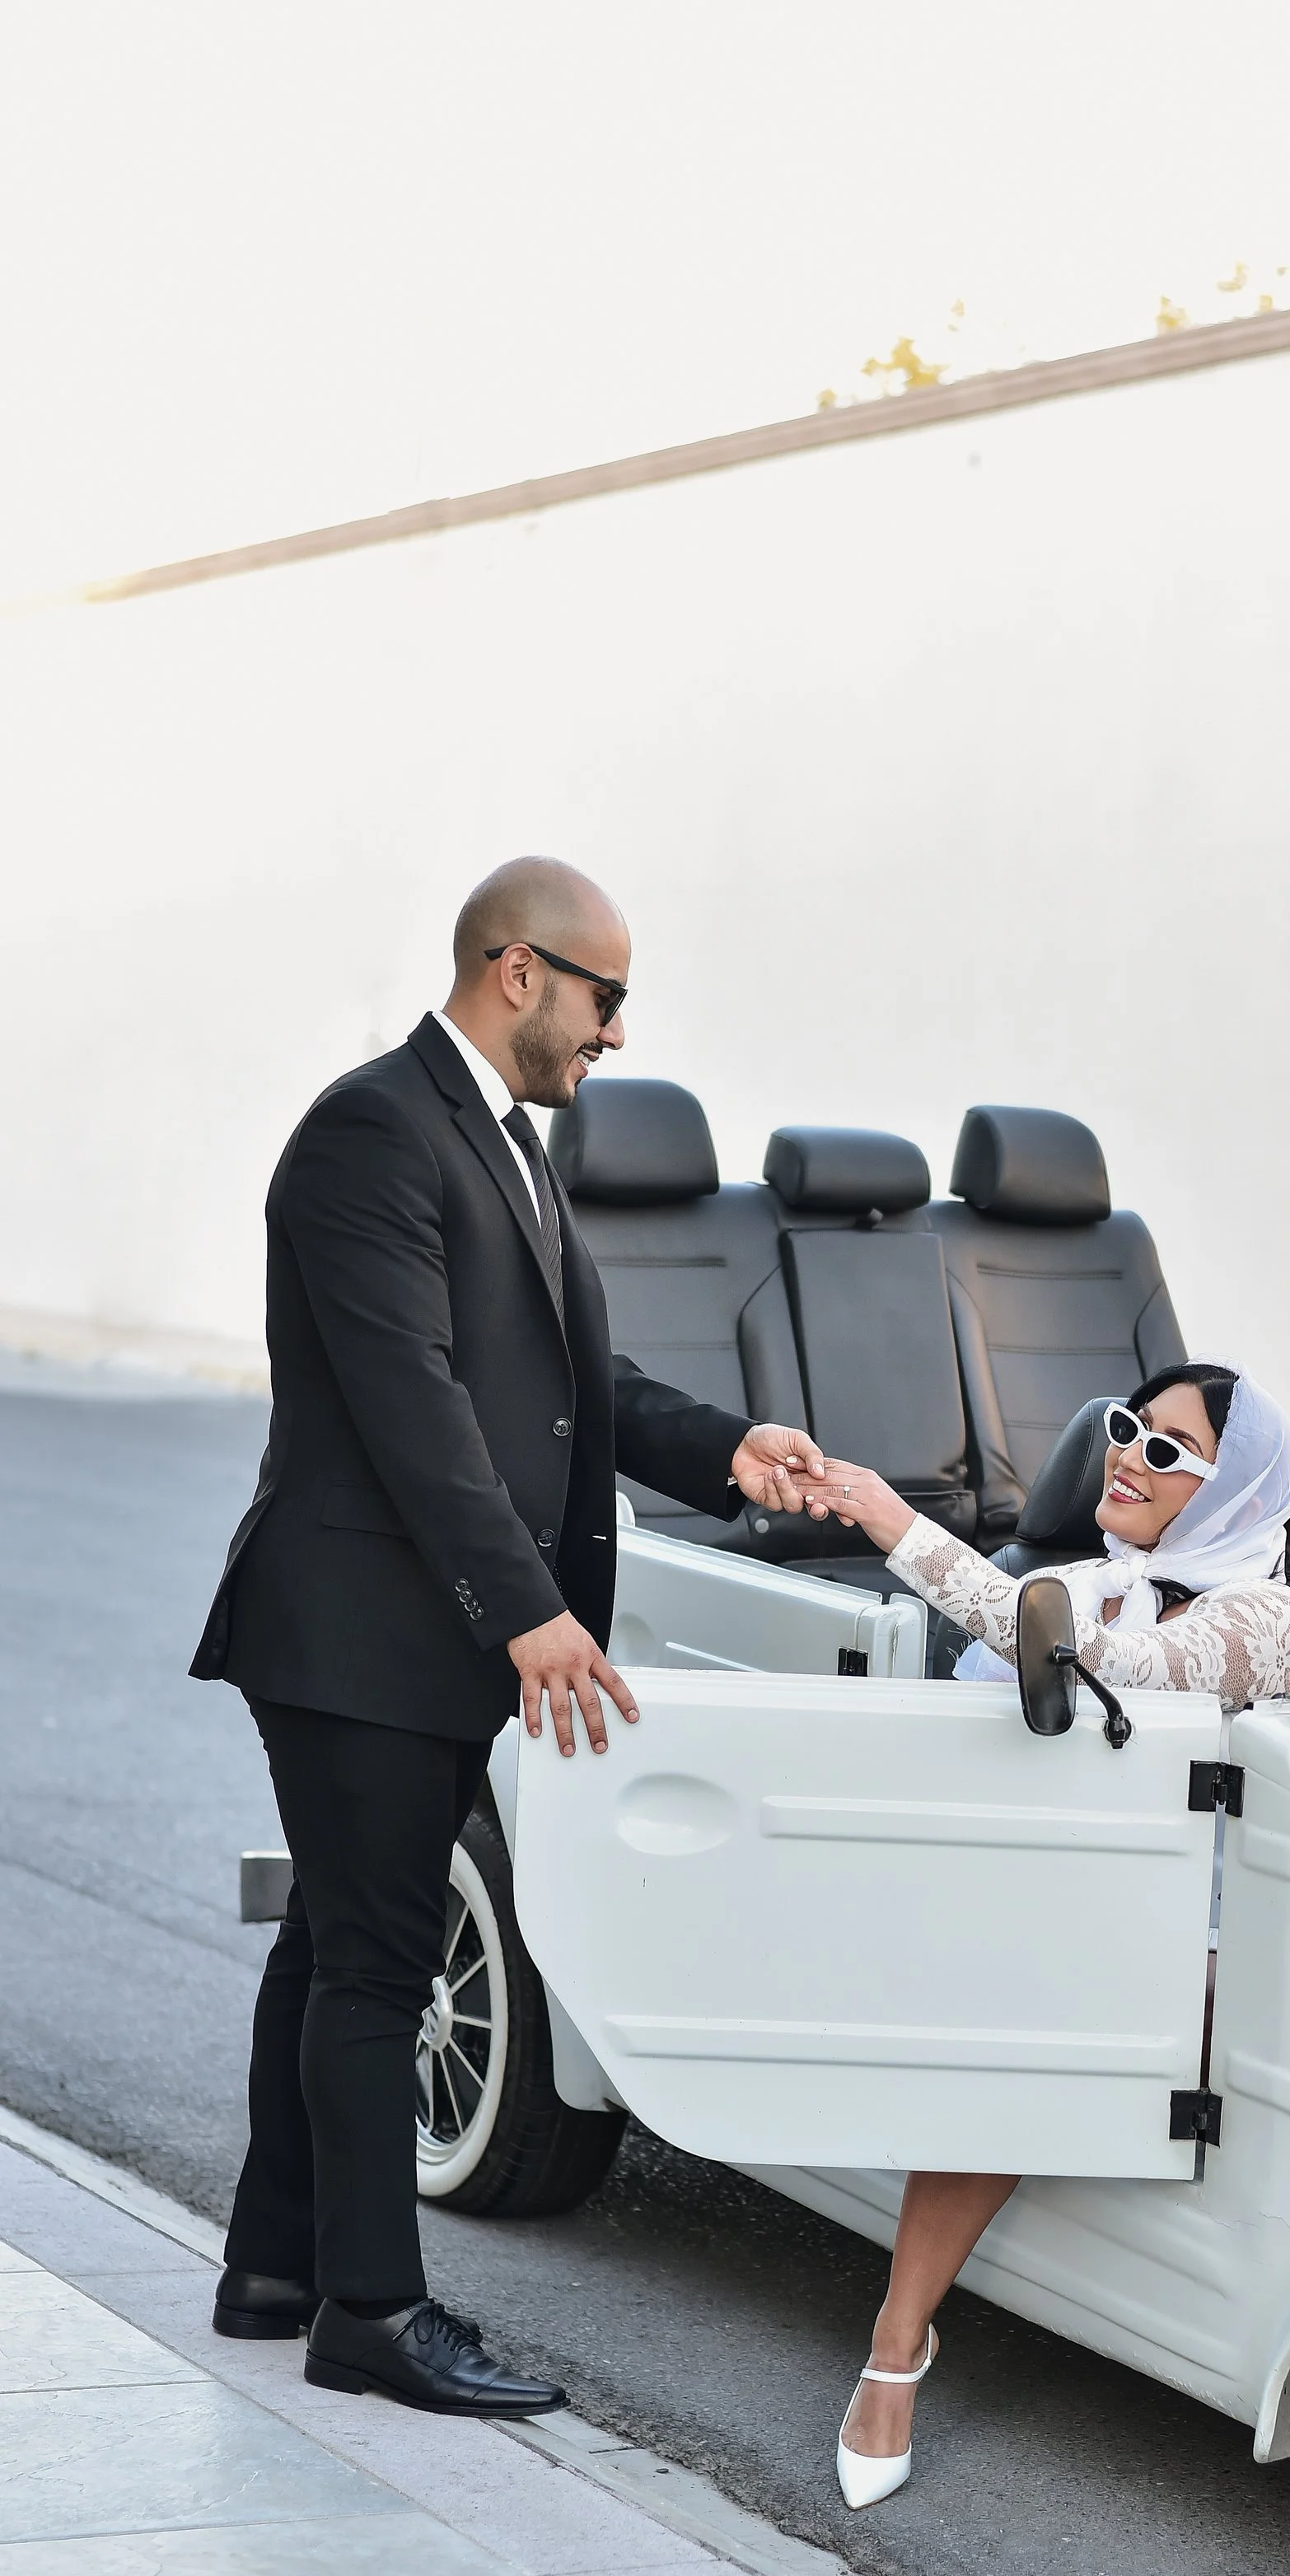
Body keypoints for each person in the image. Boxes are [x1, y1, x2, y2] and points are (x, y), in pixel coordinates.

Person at [191, 856, 828, 2415]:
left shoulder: (504, 1140)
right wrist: (527, 1614)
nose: (618, 1032)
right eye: (607, 996)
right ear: (519, 970)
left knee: (336, 1939)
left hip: (405, 1636)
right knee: (378, 1967)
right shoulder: (372, 1131)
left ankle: (274, 2271)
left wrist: (726, 1451)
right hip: (354, 1630)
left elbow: (564, 1388)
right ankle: (372, 2311)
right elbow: (412, 1409)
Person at [808, 1361, 1290, 2507]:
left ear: (1236, 1490)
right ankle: (898, 2341)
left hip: (1218, 1928)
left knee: (1038, 1996)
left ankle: (897, 2343)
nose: (1129, 1455)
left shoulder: (1277, 1619)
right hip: (1060, 1901)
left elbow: (1112, 1672)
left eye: (1170, 1450)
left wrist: (893, 1522)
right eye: (1130, 1428)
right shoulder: (1079, 1582)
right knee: (1020, 1984)